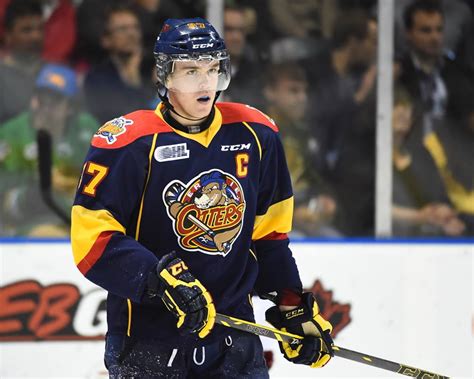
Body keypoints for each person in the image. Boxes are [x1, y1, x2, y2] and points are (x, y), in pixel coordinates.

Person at [71, 18, 333, 377]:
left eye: (212, 68)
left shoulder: (257, 135)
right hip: (149, 340)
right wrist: (158, 279)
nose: (205, 82)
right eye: (191, 70)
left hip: (235, 338)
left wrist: (291, 305)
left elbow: (269, 238)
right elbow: (92, 242)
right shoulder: (129, 143)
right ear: (164, 75)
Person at [0, 63, 99, 236]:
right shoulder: (12, 133)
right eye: (41, 98)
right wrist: (36, 185)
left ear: (69, 108)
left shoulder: (87, 129)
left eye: (54, 101)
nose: (45, 106)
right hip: (27, 223)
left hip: (81, 219)